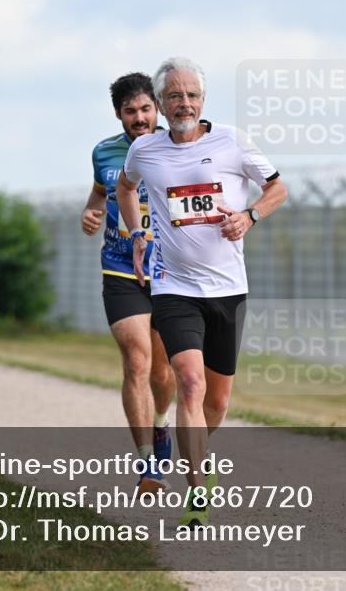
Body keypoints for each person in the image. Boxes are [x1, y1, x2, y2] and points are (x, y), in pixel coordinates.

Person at [118, 57, 288, 528]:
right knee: (188, 383)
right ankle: (196, 491)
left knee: (215, 403)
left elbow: (278, 188)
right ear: (162, 103)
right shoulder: (145, 151)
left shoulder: (231, 140)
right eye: (174, 96)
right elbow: (125, 188)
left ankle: (198, 450)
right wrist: (137, 234)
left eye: (191, 95)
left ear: (203, 100)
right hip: (174, 288)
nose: (184, 103)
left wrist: (250, 215)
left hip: (229, 289)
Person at [82, 73, 176, 493]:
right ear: (118, 113)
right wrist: (91, 211)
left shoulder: (176, 147)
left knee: (162, 370)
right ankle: (148, 464)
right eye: (130, 111)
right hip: (120, 267)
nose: (139, 118)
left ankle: (161, 424)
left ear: (156, 107)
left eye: (145, 109)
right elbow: (102, 191)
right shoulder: (104, 151)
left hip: (169, 271)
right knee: (136, 361)